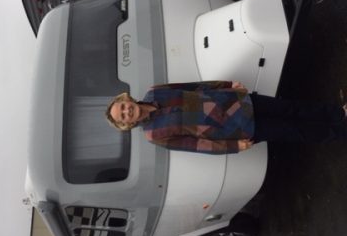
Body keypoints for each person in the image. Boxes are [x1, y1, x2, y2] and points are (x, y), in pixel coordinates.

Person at [105, 81, 347, 154]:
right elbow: (195, 145)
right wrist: (233, 147)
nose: (127, 111)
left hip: (236, 101)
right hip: (236, 128)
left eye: (123, 106)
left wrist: (227, 84)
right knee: (293, 131)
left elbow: (195, 86)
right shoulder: (153, 134)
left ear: (127, 99)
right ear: (127, 124)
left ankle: (339, 113)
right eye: (123, 116)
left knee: (290, 108)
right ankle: (340, 132)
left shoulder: (154, 92)